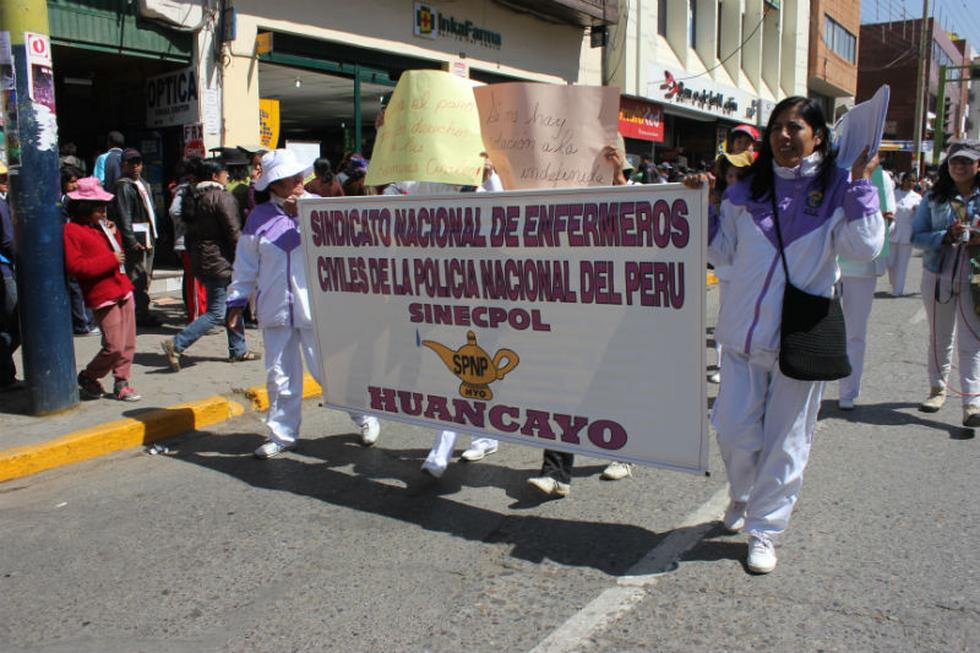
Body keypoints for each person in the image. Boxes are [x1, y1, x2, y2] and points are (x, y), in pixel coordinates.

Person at [688, 96, 883, 573]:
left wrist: (860, 185)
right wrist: (703, 204)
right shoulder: (746, 189)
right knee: (732, 430)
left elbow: (864, 246)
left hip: (800, 339)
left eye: (795, 127)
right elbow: (721, 253)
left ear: (818, 136)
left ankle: (765, 530)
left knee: (786, 441)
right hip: (741, 338)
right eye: (777, 126)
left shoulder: (838, 186)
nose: (784, 135)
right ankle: (742, 495)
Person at [226, 149, 380, 458]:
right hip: (275, 309)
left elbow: (348, 245)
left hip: (316, 307)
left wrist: (304, 217)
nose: (298, 181)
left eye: (299, 176)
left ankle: (365, 416)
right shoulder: (259, 217)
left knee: (329, 371)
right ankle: (282, 434)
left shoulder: (319, 209)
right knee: (279, 376)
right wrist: (236, 300)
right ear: (275, 184)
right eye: (289, 179)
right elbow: (245, 263)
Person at [526, 145, 643, 496]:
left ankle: (625, 453)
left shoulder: (635, 193)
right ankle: (556, 474)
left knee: (610, 388)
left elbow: (639, 222)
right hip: (571, 308)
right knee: (563, 388)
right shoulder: (566, 198)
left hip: (614, 311)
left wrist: (619, 178)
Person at [161, 159, 259, 371]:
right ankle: (177, 343)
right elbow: (233, 232)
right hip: (219, 260)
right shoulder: (221, 197)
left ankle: (238, 348)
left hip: (202, 258)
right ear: (215, 176)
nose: (227, 176)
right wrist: (245, 258)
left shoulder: (193, 197)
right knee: (216, 311)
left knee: (234, 304)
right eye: (225, 172)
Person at [910, 139, 980, 423]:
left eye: (966, 161)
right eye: (954, 161)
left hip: (975, 276)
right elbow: (916, 236)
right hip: (938, 276)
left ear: (978, 165)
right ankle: (937, 389)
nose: (959, 166)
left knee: (972, 339)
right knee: (940, 337)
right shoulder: (934, 198)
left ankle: (971, 402)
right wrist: (945, 236)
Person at [63, 178, 142, 402]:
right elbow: (76, 266)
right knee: (114, 345)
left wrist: (114, 234)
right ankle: (89, 375)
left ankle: (122, 382)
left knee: (128, 343)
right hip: (102, 295)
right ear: (85, 208)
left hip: (123, 288)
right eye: (98, 207)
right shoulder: (71, 231)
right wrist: (110, 260)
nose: (103, 211)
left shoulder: (101, 227)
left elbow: (118, 253)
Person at [836, 166, 896, 410]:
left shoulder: (882, 177)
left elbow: (889, 220)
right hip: (827, 262)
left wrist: (878, 224)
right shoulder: (834, 171)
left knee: (854, 333)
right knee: (818, 330)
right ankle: (813, 391)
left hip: (862, 268)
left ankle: (848, 391)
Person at [706, 150, 755, 385]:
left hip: (753, 274)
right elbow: (721, 249)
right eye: (730, 175)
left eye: (739, 175)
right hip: (728, 272)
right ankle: (723, 366)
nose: (733, 180)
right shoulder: (721, 199)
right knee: (725, 322)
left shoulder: (757, 200)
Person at [109, 148, 161, 327]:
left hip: (149, 235)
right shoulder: (124, 185)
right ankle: (139, 314)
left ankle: (142, 311)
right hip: (137, 239)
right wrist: (131, 240)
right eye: (131, 163)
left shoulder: (143, 184)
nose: (136, 166)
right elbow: (125, 215)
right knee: (138, 275)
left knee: (145, 276)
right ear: (123, 164)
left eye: (138, 162)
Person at [167, 159, 208, 323]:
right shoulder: (184, 191)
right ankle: (197, 317)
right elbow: (174, 211)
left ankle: (202, 315)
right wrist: (192, 222)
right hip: (187, 241)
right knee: (195, 281)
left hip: (198, 241)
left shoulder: (199, 189)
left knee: (200, 280)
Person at [61, 165, 99, 336]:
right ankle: (84, 323)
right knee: (76, 286)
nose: (74, 185)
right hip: (73, 248)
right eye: (71, 182)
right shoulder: (66, 202)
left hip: (77, 247)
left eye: (77, 181)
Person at [0, 161, 21, 391]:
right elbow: (7, 240)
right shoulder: (0, 204)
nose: (6, 182)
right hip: (5, 271)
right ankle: (5, 372)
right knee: (15, 324)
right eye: (2, 178)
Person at [887, 172, 922, 296]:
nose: (911, 183)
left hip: (907, 234)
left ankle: (898, 290)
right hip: (892, 233)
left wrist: (917, 210)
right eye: (908, 180)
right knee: (890, 263)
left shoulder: (917, 198)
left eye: (913, 181)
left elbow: (921, 217)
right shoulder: (893, 194)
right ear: (902, 180)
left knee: (902, 264)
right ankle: (894, 282)